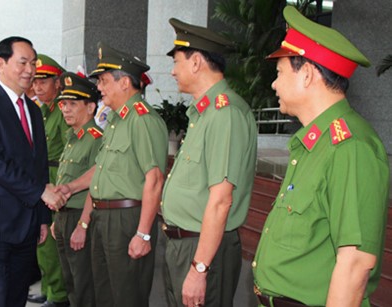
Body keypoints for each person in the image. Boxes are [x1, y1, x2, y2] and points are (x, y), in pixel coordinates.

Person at [252, 6, 390, 307]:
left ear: (308, 75)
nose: (274, 84)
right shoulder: (313, 143)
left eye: (279, 73)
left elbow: (355, 265)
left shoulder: (349, 147)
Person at [52, 42, 168, 307]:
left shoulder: (143, 119)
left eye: (103, 81)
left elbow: (155, 179)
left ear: (124, 82)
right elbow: (100, 170)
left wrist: (143, 234)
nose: (99, 88)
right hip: (103, 217)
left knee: (126, 295)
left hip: (127, 218)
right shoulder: (116, 119)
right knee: (104, 294)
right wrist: (71, 188)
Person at [161, 18, 258, 307]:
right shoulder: (203, 114)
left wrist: (199, 268)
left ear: (196, 63)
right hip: (185, 245)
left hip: (202, 250)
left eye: (177, 62)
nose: (173, 71)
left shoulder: (224, 113)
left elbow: (221, 200)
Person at [0, 36, 66, 307]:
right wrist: (40, 192)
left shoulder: (33, 110)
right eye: (22, 62)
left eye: (32, 63)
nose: (30, 70)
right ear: (1, 63)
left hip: (27, 221)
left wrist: (42, 217)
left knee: (16, 294)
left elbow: (39, 165)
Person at [51, 71, 102, 307]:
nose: (66, 109)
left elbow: (96, 184)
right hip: (64, 217)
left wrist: (83, 224)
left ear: (91, 107)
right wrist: (56, 220)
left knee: (84, 284)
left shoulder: (96, 138)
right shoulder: (73, 136)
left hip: (80, 217)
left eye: (73, 104)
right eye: (63, 104)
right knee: (70, 281)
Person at [27, 53, 69, 307]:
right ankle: (47, 285)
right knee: (41, 239)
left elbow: (69, 153)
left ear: (58, 83)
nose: (37, 86)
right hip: (42, 178)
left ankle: (58, 294)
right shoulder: (41, 110)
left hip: (56, 178)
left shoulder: (63, 112)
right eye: (36, 81)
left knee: (52, 241)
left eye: (44, 81)